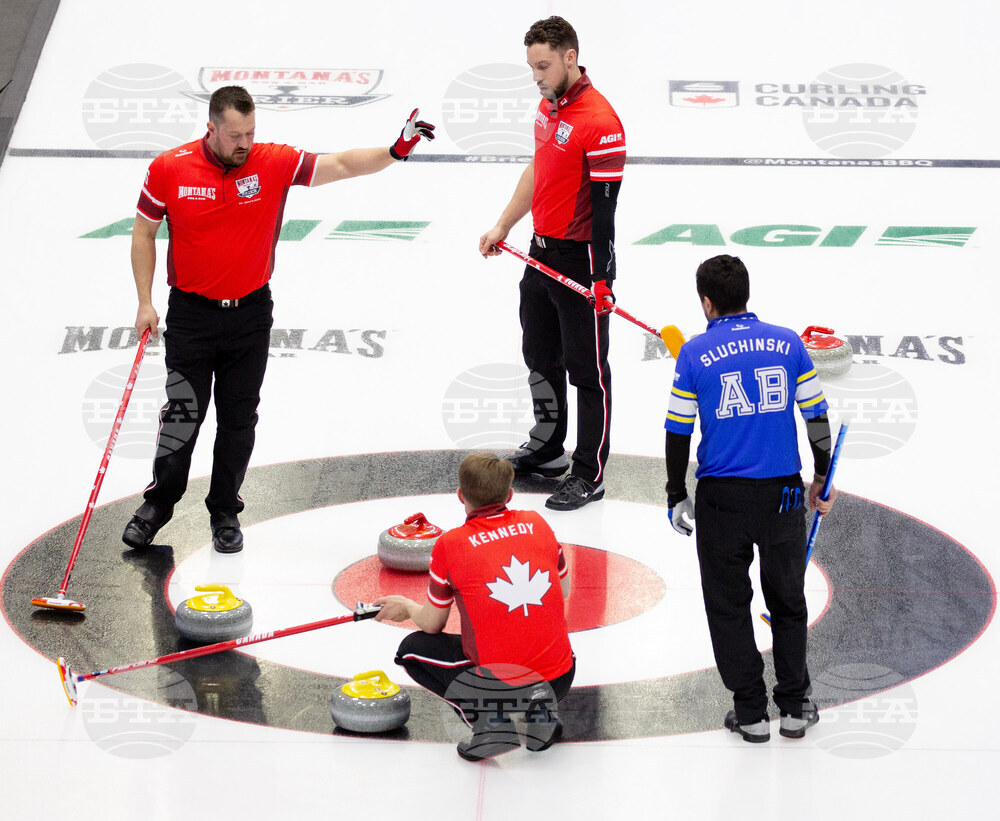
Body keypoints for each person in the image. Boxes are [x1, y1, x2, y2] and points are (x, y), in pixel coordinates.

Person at [122, 86, 434, 553]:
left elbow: (343, 164)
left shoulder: (273, 162)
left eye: (250, 132)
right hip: (190, 314)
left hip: (250, 314)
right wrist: (145, 301)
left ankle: (225, 509)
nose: (243, 143)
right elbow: (144, 232)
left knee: (239, 417)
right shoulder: (169, 168)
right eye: (233, 135)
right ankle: (160, 503)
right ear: (210, 129)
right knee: (183, 414)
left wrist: (396, 150)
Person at [664, 255, 837, 743]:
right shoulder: (789, 343)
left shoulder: (695, 353)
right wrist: (821, 476)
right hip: (782, 494)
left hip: (722, 500)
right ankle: (796, 705)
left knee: (728, 606)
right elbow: (817, 417)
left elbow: (677, 431)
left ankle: (751, 713)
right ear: (746, 294)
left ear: (706, 301)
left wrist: (676, 492)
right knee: (787, 601)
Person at [479, 15, 625, 511]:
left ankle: (590, 472)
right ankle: (547, 444)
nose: (536, 76)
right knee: (540, 356)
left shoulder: (600, 123)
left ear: (570, 58)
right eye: (531, 67)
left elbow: (606, 213)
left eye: (543, 66)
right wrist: (504, 225)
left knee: (589, 373)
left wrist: (602, 279)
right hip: (540, 251)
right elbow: (538, 171)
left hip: (581, 260)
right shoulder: (547, 108)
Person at [375, 451, 575, 761]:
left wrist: (406, 606)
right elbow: (562, 590)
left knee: (411, 650)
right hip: (562, 674)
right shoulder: (537, 523)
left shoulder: (450, 545)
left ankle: (491, 727)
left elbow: (432, 624)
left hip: (503, 682)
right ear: (509, 494)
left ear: (460, 495)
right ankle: (539, 713)